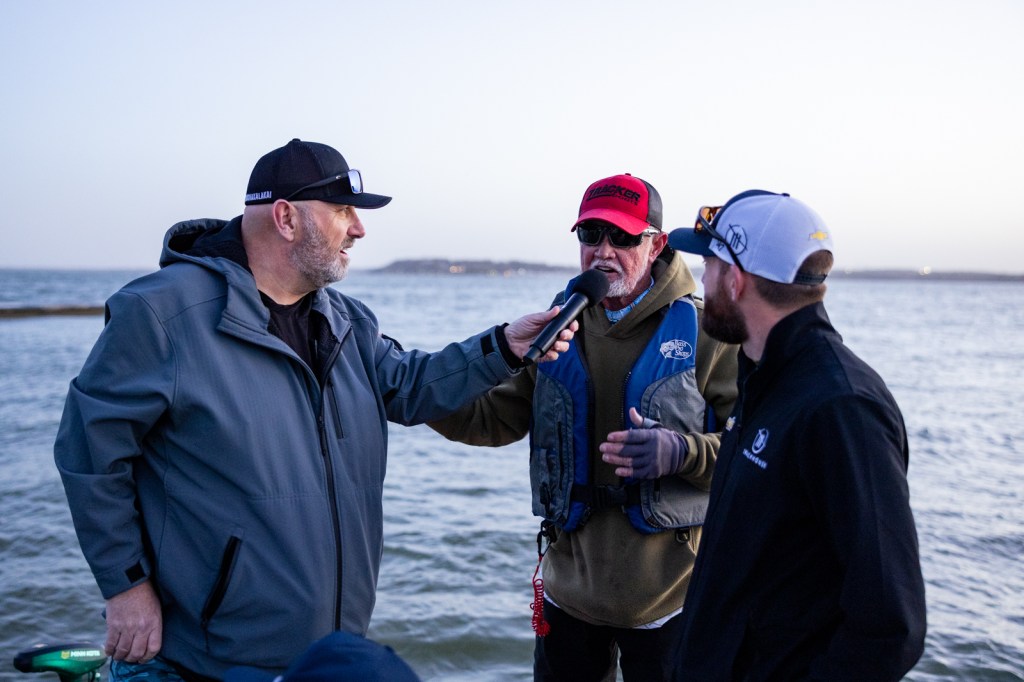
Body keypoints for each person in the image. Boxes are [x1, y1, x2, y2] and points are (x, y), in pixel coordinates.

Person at [53, 138, 576, 681]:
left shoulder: (349, 322)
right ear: (285, 218)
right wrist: (127, 585)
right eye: (344, 211)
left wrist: (503, 346)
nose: (359, 229)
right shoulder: (161, 314)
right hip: (206, 658)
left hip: (331, 653)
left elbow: (411, 386)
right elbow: (89, 455)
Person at [428, 173, 739, 681]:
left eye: (623, 237)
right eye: (591, 234)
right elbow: (494, 419)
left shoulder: (709, 333)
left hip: (672, 602)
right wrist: (415, 390)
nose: (603, 251)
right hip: (568, 596)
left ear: (657, 244)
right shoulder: (558, 325)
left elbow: (756, 452)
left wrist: (681, 452)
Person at [663, 190, 927, 680]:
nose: (703, 278)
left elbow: (891, 626)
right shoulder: (764, 378)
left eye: (709, 264)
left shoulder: (840, 408)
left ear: (736, 280)